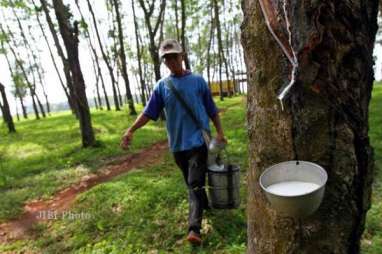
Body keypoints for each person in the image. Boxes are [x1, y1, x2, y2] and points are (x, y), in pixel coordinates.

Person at [120, 39, 226, 245]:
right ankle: (205, 206)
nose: (171, 61)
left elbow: (212, 109)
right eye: (166, 58)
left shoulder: (198, 81)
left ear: (182, 56)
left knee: (194, 184)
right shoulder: (162, 86)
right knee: (192, 182)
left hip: (198, 142)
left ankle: (194, 229)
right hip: (177, 146)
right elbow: (148, 113)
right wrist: (131, 129)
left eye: (174, 57)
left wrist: (220, 132)